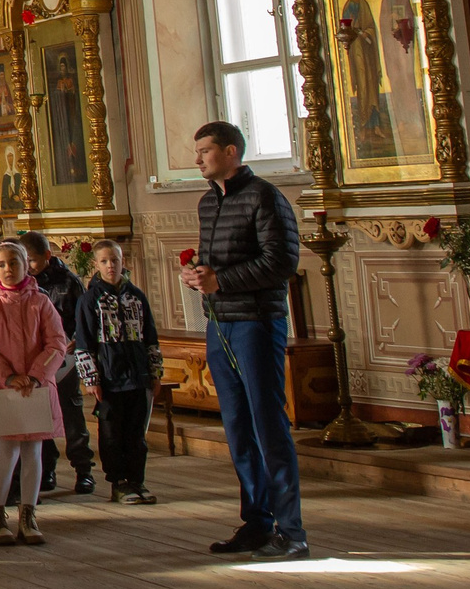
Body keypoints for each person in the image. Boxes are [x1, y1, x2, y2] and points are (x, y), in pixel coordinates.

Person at [184, 121, 307, 559]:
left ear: (231, 151)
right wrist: (198, 275)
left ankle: (291, 532)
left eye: (205, 151)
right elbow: (217, 263)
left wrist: (223, 281)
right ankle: (256, 523)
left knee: (267, 425)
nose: (197, 159)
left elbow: (282, 262)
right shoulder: (207, 202)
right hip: (220, 324)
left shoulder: (266, 197)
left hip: (256, 322)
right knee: (237, 428)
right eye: (196, 152)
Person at [0, 239, 67, 548]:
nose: (8, 269)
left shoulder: (41, 301)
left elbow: (57, 342)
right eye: (1, 264)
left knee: (33, 453)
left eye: (14, 262)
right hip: (3, 387)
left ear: (26, 265)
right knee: (6, 454)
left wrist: (36, 375)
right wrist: (7, 375)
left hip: (35, 388)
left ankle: (28, 514)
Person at [75, 239, 161, 504]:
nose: (110, 265)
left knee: (136, 434)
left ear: (123, 261)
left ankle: (137, 480)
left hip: (137, 376)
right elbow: (84, 343)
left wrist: (155, 371)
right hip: (110, 379)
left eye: (115, 260)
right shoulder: (91, 300)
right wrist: (91, 378)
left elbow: (150, 338)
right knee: (112, 433)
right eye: (104, 261)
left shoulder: (136, 296)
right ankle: (119, 482)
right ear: (96, 265)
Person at [17, 230, 95, 496]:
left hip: (65, 358)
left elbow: (82, 318)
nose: (28, 267)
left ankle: (83, 470)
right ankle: (47, 468)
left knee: (71, 413)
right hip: (36, 362)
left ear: (47, 257)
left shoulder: (69, 281)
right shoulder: (23, 284)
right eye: (24, 261)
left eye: (33, 261)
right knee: (42, 417)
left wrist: (74, 340)